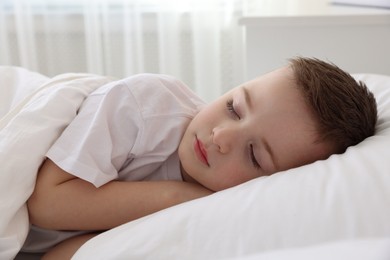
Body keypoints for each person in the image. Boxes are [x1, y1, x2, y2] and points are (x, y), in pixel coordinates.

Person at [24, 57, 377, 259]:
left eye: (253, 154)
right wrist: (181, 197)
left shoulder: (222, 217)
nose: (222, 136)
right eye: (233, 108)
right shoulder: (144, 107)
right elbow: (46, 202)